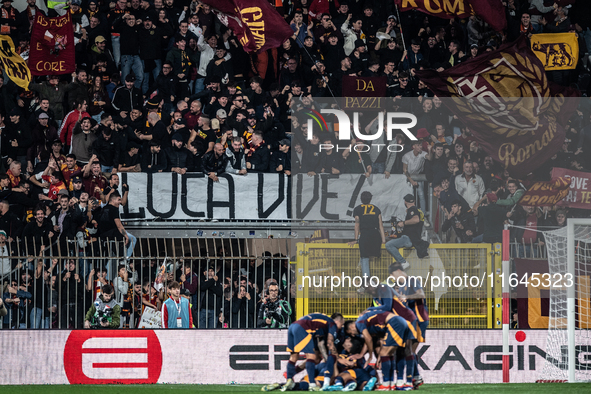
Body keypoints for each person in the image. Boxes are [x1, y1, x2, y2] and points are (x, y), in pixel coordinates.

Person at [344, 310, 416, 391]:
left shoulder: (359, 322)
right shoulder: (372, 325)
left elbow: (368, 339)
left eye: (351, 333)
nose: (353, 335)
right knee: (400, 352)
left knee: (385, 353)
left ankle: (386, 384)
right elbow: (381, 340)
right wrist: (374, 356)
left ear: (351, 327)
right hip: (403, 322)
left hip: (394, 323)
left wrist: (370, 356)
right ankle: (398, 383)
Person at [283, 313, 344, 391]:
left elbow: (320, 344)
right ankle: (312, 384)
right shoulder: (332, 324)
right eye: (342, 324)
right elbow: (330, 343)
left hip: (292, 326)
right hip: (303, 328)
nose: (341, 327)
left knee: (294, 356)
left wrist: (326, 360)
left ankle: (289, 379)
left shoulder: (321, 323)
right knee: (311, 357)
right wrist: (334, 361)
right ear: (338, 321)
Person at [347, 191, 385, 278]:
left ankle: (366, 282)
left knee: (364, 258)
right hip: (376, 235)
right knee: (376, 258)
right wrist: (383, 240)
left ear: (361, 199)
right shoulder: (376, 209)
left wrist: (356, 239)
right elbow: (381, 226)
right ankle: (378, 279)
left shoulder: (357, 209)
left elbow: (357, 225)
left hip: (365, 235)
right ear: (370, 199)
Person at [385, 194, 428, 270]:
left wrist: (403, 223)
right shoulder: (419, 211)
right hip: (414, 238)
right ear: (414, 201)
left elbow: (416, 219)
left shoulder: (412, 209)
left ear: (405, 202)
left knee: (389, 245)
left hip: (408, 238)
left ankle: (403, 262)